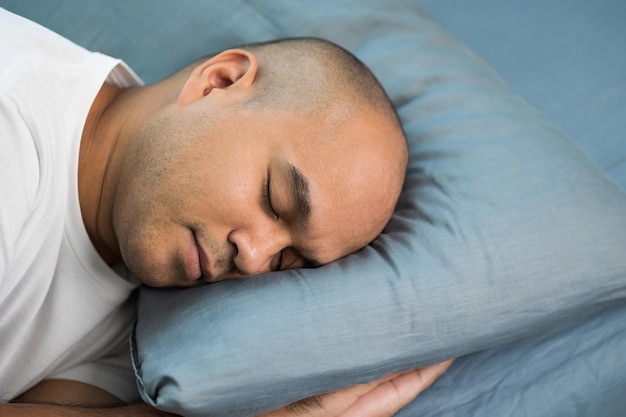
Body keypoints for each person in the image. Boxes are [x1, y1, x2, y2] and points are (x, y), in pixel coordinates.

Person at [0, 8, 451, 416]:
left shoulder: (140, 326)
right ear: (219, 80)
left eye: (286, 261)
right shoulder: (13, 119)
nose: (253, 259)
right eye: (274, 199)